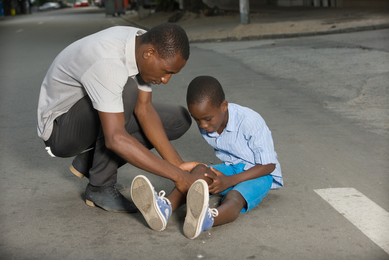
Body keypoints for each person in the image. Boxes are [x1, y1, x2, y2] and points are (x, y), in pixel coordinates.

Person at [37, 23, 201, 213]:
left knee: (177, 119)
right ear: (149, 53)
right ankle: (100, 186)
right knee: (127, 91)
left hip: (93, 111)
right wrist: (180, 178)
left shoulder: (140, 42)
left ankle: (90, 161)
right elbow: (116, 138)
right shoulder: (108, 63)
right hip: (60, 129)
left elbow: (144, 109)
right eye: (167, 71)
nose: (166, 80)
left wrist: (179, 167)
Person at [130, 75, 283, 239]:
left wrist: (229, 181)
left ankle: (206, 219)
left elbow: (268, 165)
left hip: (259, 174)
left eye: (207, 119)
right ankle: (164, 208)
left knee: (234, 197)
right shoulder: (209, 124)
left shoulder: (250, 121)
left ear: (224, 106)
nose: (203, 125)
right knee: (197, 173)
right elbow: (230, 162)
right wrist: (199, 168)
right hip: (232, 168)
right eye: (197, 120)